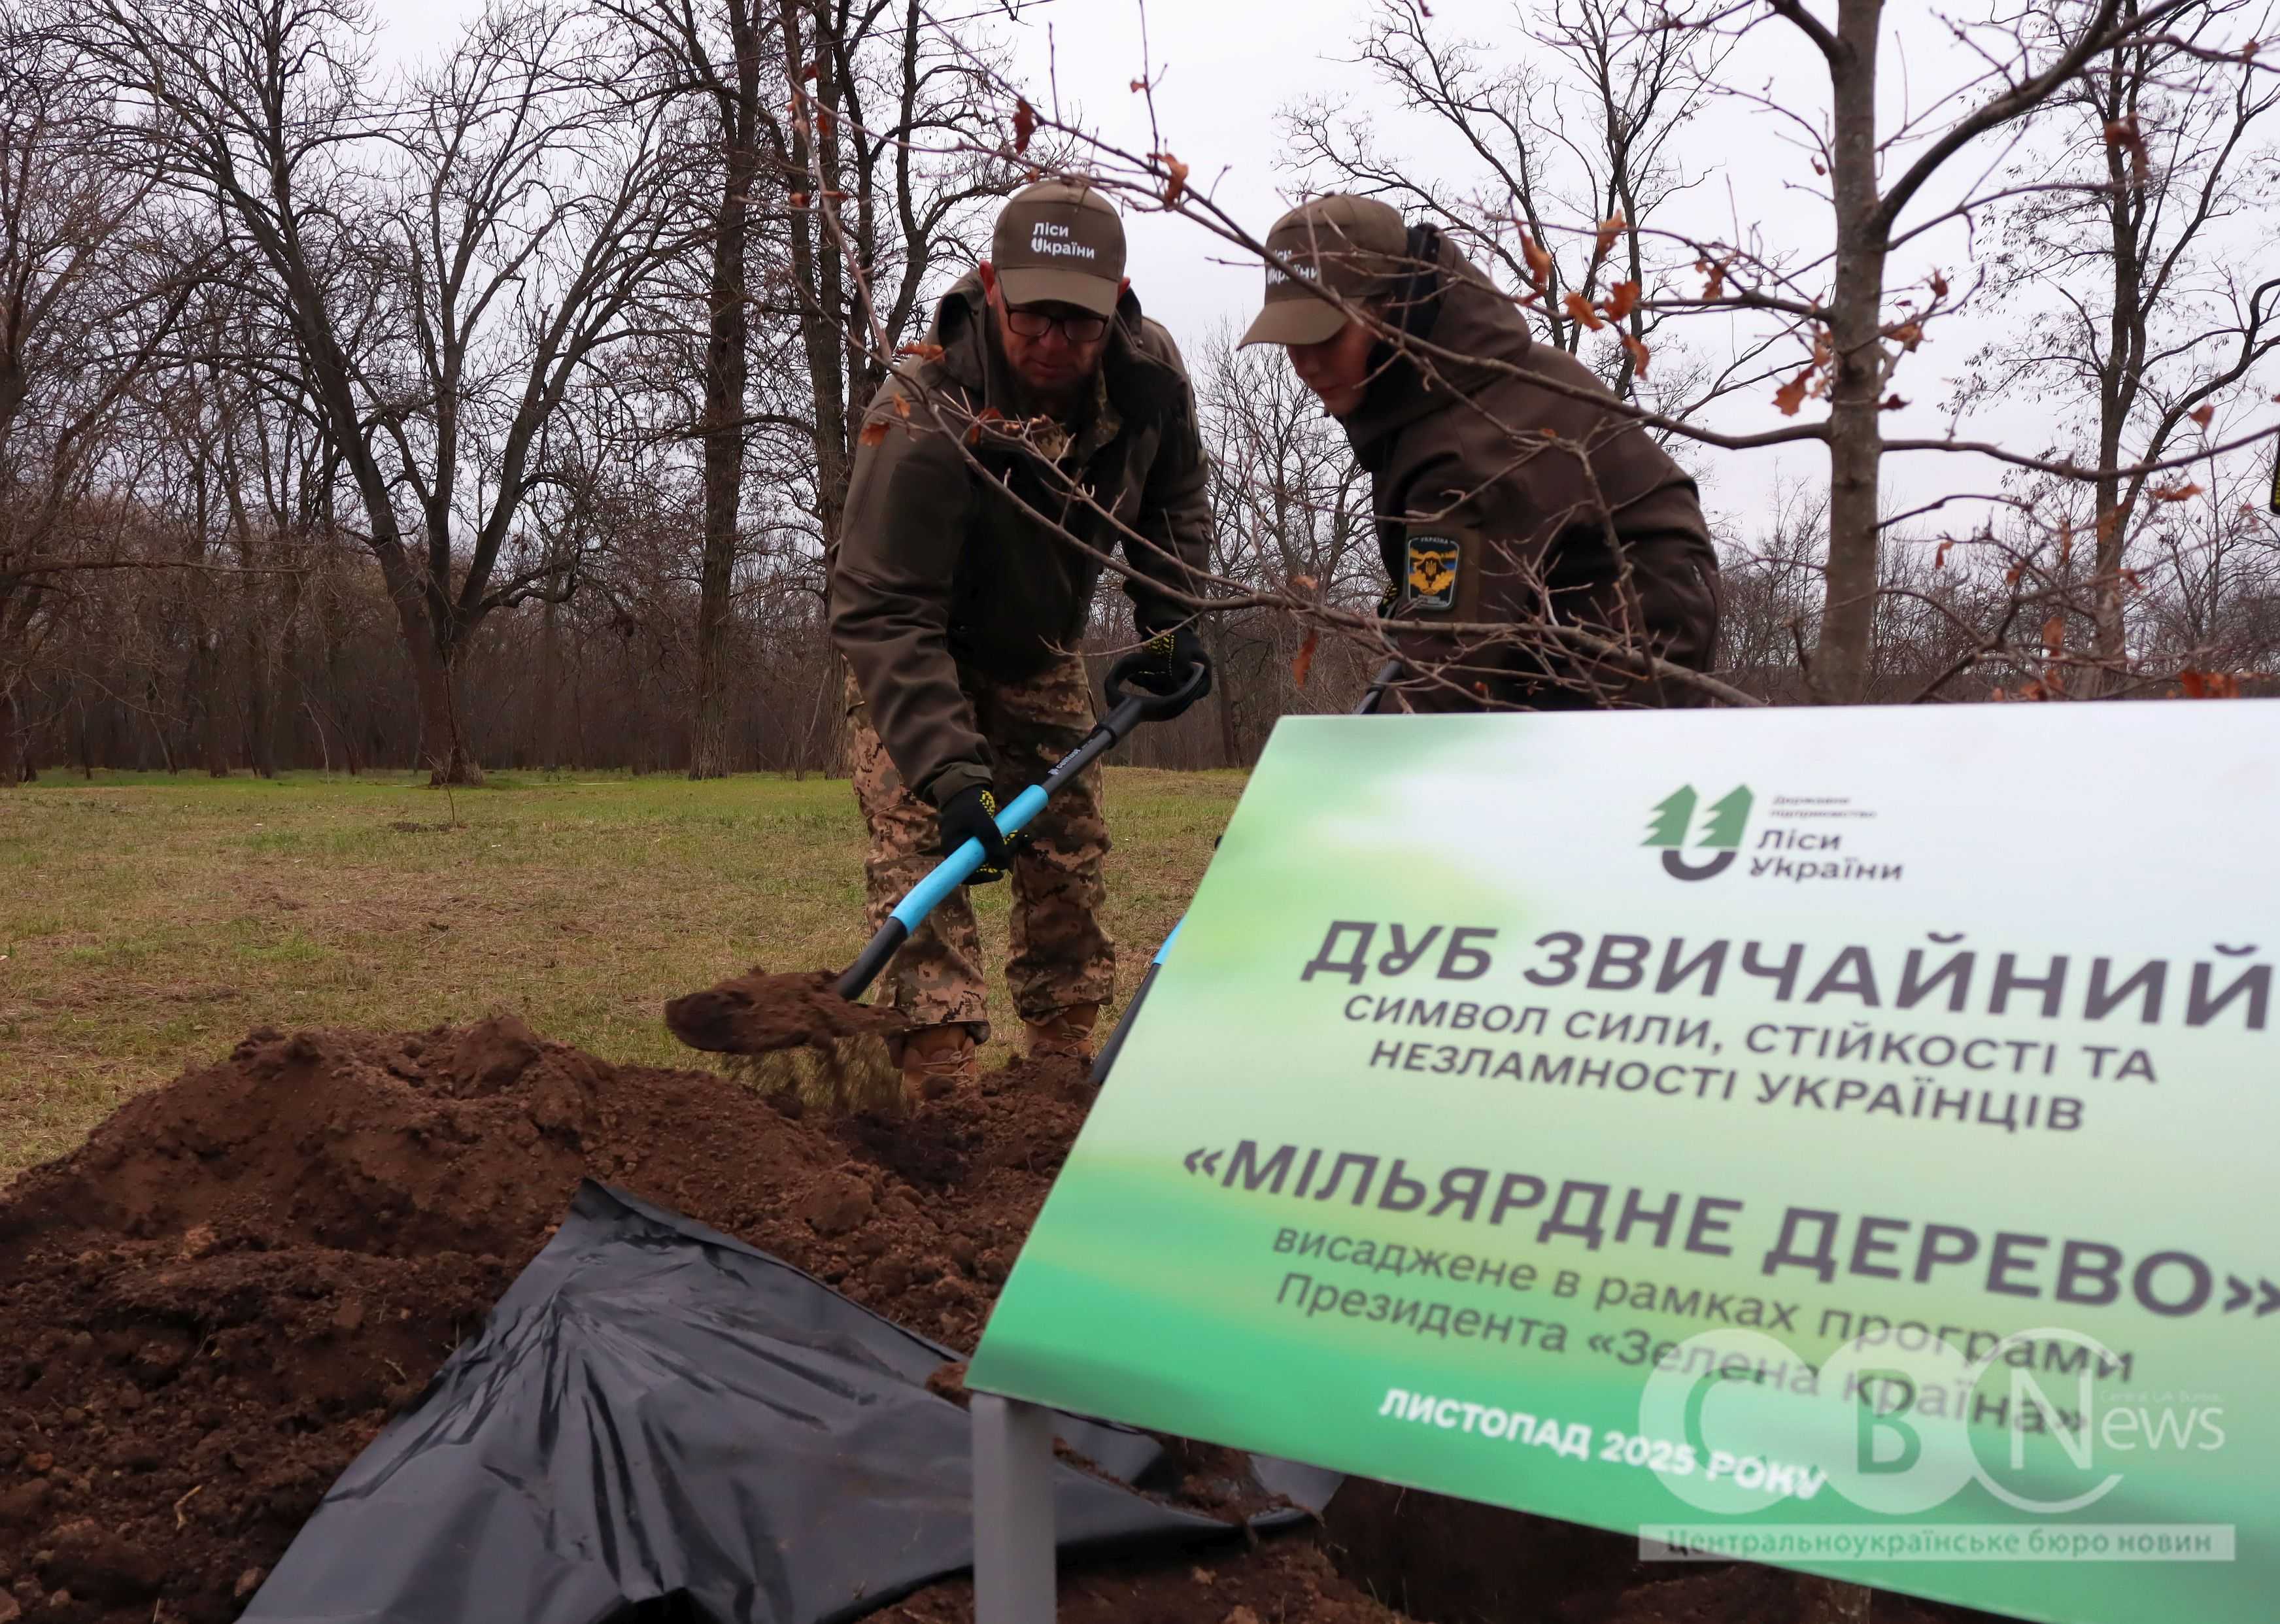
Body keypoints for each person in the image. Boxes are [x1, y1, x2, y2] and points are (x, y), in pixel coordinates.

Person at [830, 178, 1214, 1100]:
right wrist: (952, 773)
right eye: (1033, 318)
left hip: (1041, 649)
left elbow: (1173, 506)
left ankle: (1058, 1077)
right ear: (991, 287)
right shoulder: (923, 408)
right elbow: (881, 607)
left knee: (1066, 854)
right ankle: (941, 1078)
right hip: (918, 649)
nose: (1053, 344)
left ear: (1115, 307)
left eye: (1077, 325)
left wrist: (1173, 624)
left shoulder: (1145, 379)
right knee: (923, 846)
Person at [1240, 194, 1720, 708]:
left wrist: (1357, 769)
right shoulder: (1427, 396)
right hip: (1544, 630)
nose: (1306, 363)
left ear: (1392, 310)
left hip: (1628, 653)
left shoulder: (1469, 443)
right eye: (1291, 340)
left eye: (1325, 335)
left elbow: (1442, 673)